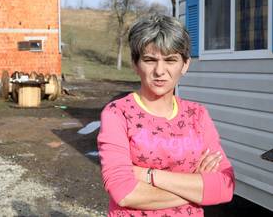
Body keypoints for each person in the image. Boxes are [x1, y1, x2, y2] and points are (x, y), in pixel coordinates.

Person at [97, 14, 234, 216]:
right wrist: (197, 188)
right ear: (135, 64)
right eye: (150, 60)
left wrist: (147, 174)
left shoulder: (197, 115)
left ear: (185, 65)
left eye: (171, 60)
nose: (160, 71)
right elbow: (124, 193)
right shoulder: (118, 114)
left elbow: (225, 186)